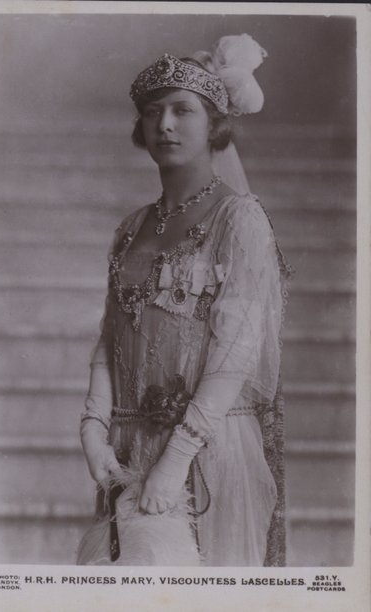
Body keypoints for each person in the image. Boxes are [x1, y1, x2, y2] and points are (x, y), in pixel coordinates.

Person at [77, 35, 291, 567]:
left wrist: (176, 458)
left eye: (182, 110)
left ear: (215, 123)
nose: (165, 124)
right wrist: (93, 428)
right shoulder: (131, 228)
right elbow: (111, 335)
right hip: (127, 449)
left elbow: (237, 348)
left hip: (206, 448)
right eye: (153, 112)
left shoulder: (238, 220)